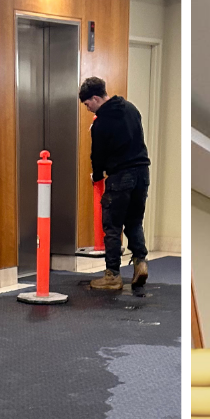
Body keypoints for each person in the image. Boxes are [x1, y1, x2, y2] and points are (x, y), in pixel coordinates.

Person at [79, 76, 150, 292]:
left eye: (87, 104)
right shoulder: (131, 108)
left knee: (112, 226)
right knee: (135, 221)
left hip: (120, 176)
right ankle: (140, 263)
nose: (88, 108)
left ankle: (112, 275)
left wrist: (98, 175)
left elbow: (97, 154)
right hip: (142, 173)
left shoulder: (101, 122)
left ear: (95, 98)